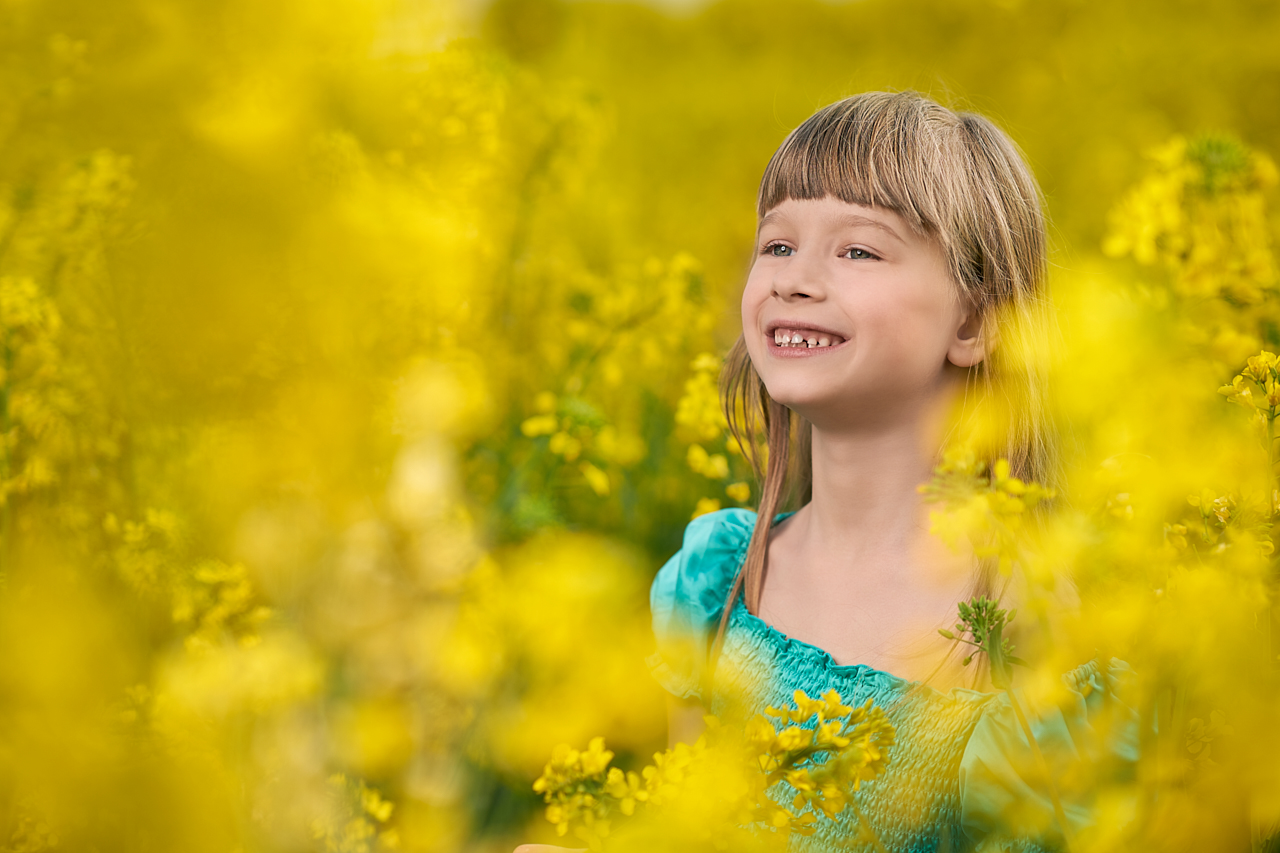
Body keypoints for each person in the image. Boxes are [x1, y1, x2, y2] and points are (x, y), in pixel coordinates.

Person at [519, 91, 1136, 853]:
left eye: (857, 251)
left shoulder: (1032, 623)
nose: (794, 279)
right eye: (776, 246)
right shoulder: (719, 583)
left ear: (974, 322)